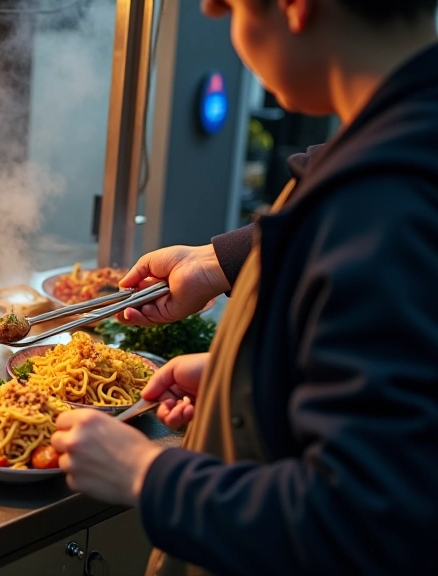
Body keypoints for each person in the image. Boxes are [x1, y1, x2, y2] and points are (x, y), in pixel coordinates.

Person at [50, 0, 438, 574]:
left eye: (226, 4)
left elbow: (367, 522)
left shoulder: (383, 204)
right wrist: (257, 375)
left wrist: (147, 473)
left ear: (295, 7)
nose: (210, 10)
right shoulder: (399, 136)